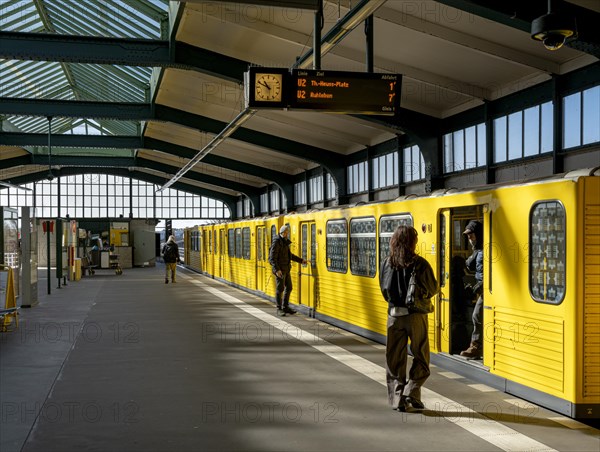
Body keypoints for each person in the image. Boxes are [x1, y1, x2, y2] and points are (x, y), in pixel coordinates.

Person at [379, 225, 438, 412]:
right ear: (412, 242)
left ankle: (397, 399)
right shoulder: (420, 263)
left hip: (394, 316)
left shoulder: (386, 262)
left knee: (394, 359)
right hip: (415, 316)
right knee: (421, 355)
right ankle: (412, 391)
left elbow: (383, 289)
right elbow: (434, 288)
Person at [268, 225, 306, 316]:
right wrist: (277, 270)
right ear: (282, 232)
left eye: (287, 232)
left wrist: (301, 261)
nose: (287, 234)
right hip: (280, 270)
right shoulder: (276, 242)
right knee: (280, 289)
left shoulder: (285, 242)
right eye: (286, 232)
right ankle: (279, 308)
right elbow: (272, 258)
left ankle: (285, 307)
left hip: (286, 269)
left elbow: (290, 256)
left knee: (289, 287)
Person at [460, 220, 484, 359]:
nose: (469, 239)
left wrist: (481, 284)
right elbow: (470, 265)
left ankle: (475, 347)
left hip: (486, 289)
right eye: (468, 237)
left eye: (471, 236)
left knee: (477, 315)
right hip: (482, 288)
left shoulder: (484, 249)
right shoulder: (478, 250)